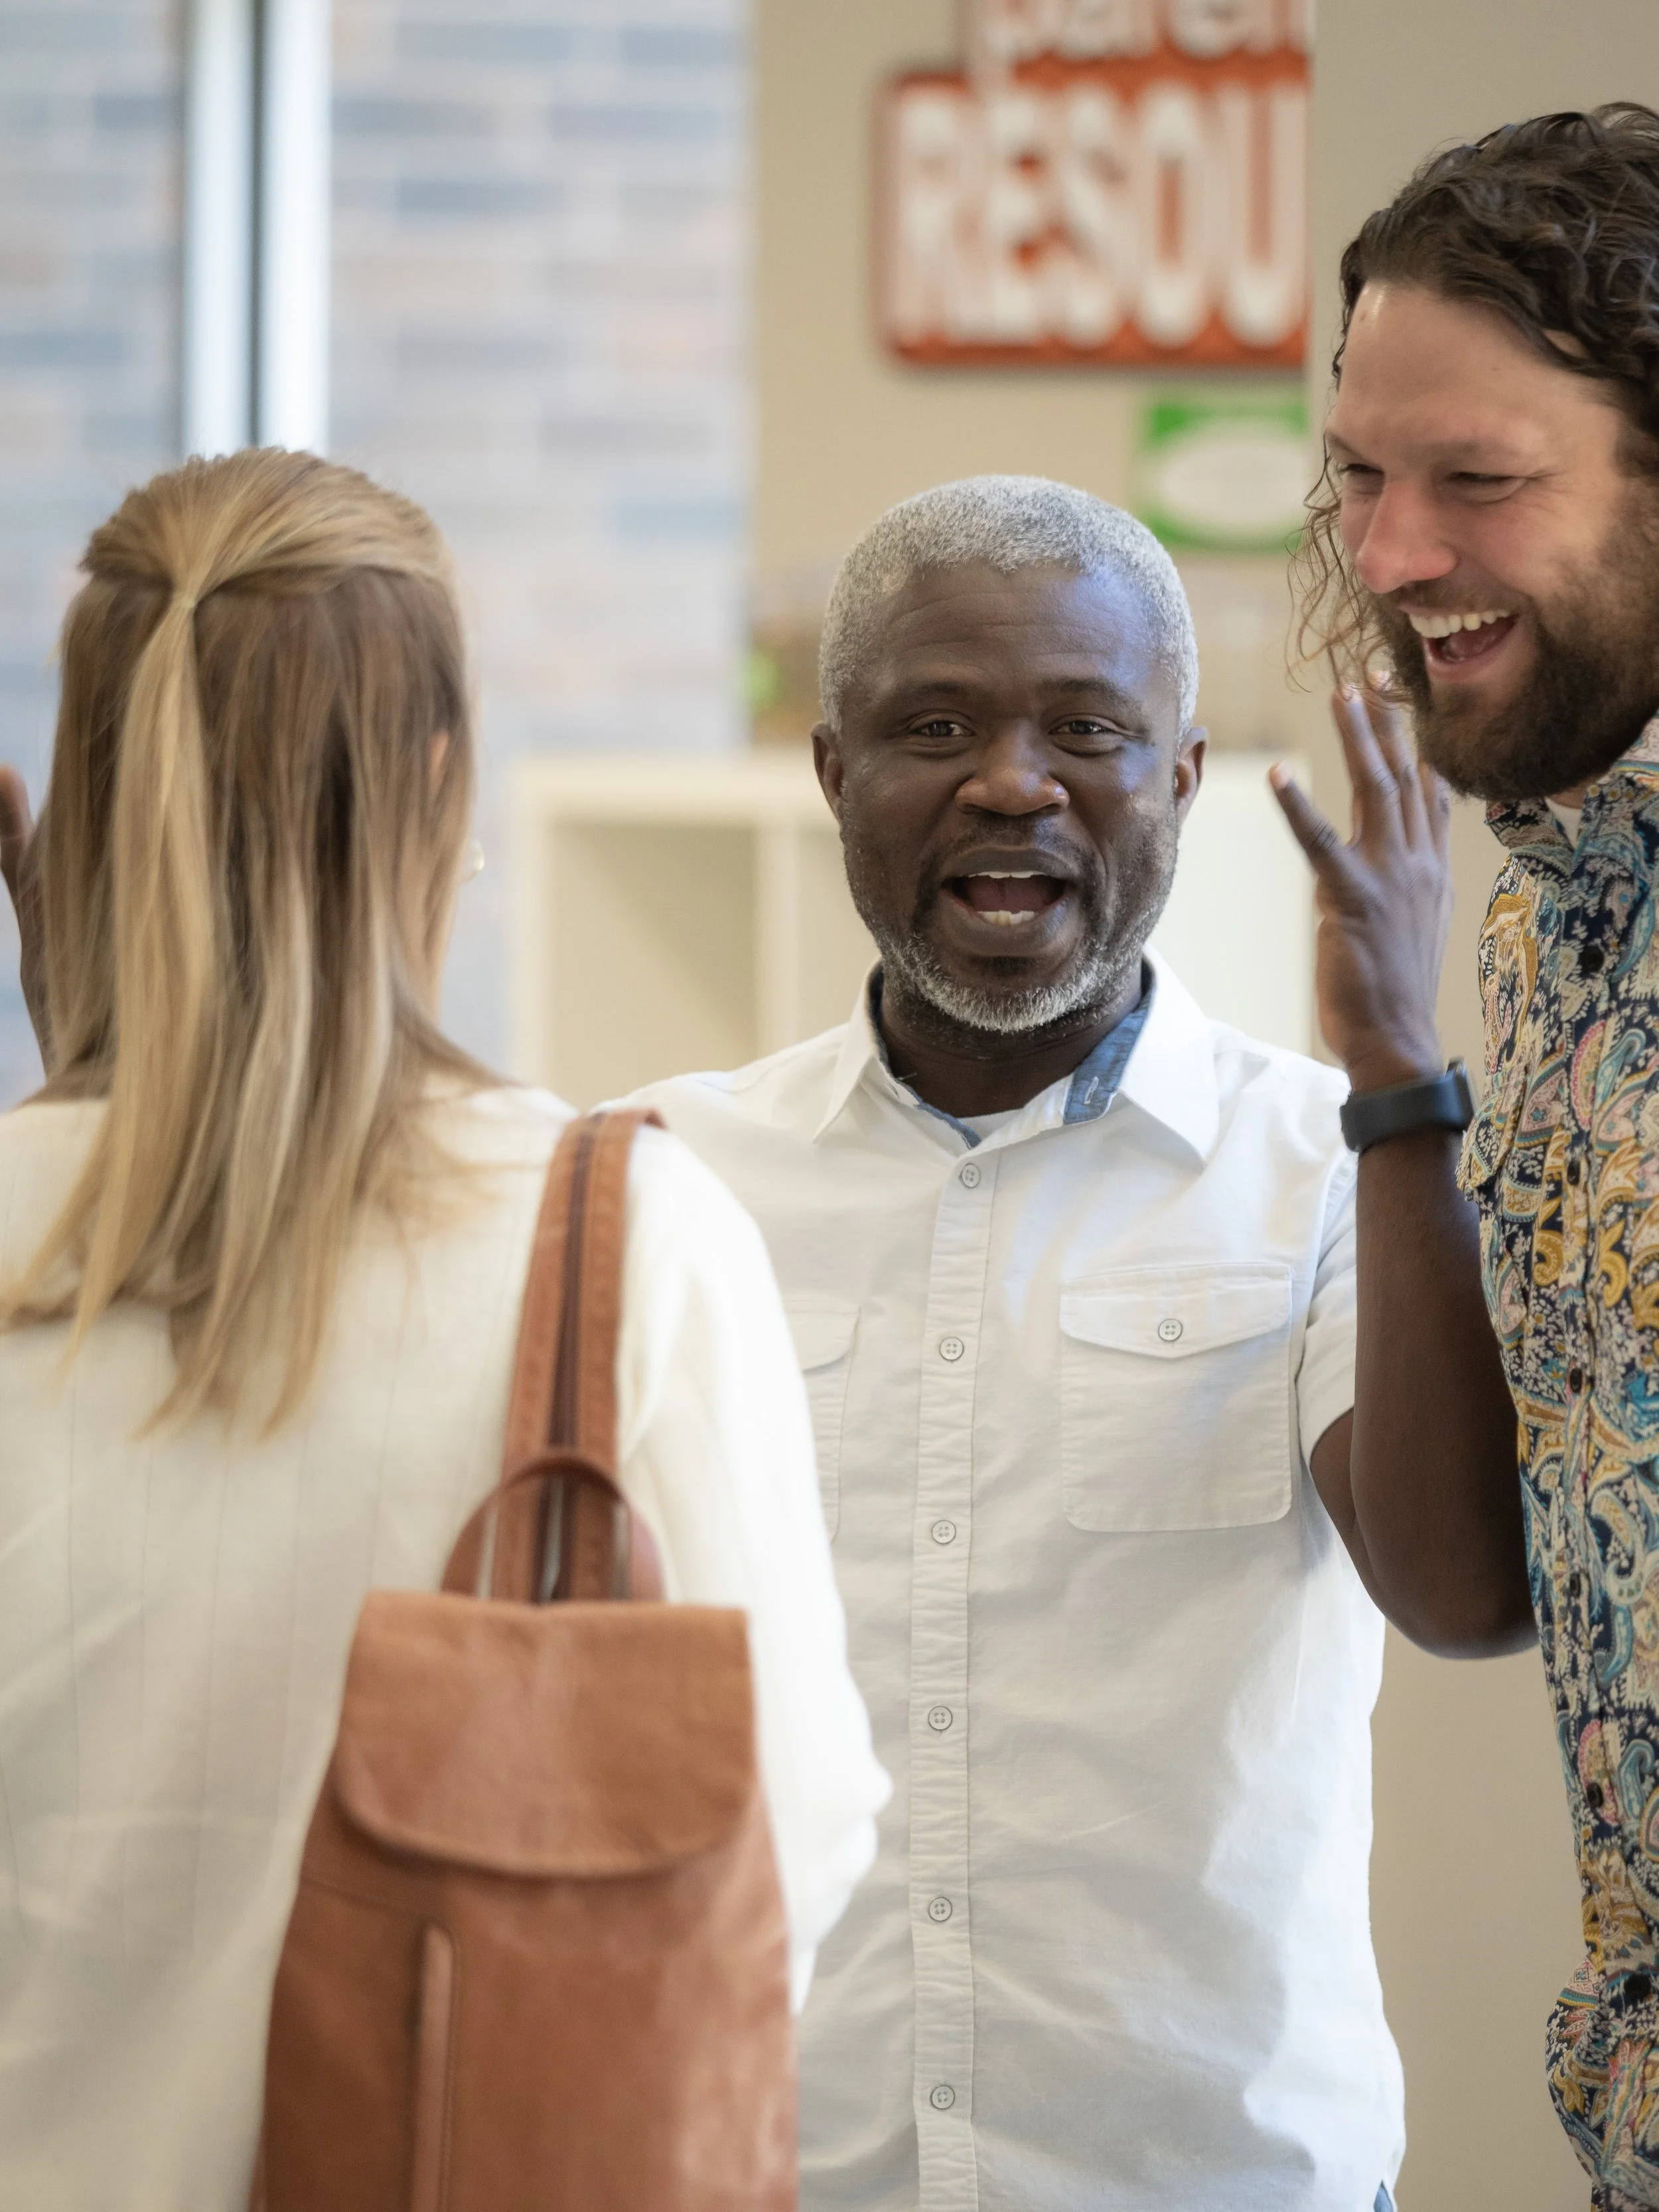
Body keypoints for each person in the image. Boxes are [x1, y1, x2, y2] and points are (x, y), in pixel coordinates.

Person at [0, 448, 888, 2212]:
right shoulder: (624, 1243)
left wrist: (72, 1103)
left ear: (77, 802)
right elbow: (789, 1839)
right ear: (433, 783)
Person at [630, 474, 1527, 2212]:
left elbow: (1452, 1588)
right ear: (832, 772)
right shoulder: (664, 1175)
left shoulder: (1328, 1165)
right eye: (934, 722)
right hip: (772, 2165)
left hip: (1214, 2177)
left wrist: (1398, 1068)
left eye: (1086, 727)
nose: (1010, 782)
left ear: (1181, 778)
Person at [1268, 102, 1659, 2212]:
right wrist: (1395, 1077)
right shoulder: (1547, 903)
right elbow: (1490, 1581)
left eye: (1478, 482)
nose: (1391, 555)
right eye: (1358, 475)